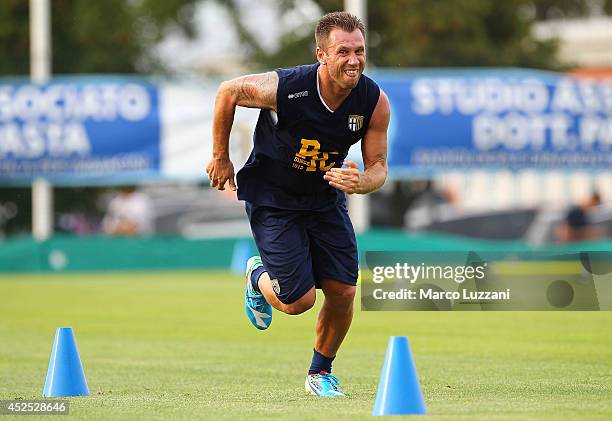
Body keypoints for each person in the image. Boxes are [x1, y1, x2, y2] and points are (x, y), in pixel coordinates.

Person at [206, 11, 390, 396]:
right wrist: (221, 156)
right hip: (273, 199)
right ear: (321, 54)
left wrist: (360, 182)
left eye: (359, 51)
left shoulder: (373, 101)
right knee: (297, 301)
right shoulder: (288, 88)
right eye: (343, 52)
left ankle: (320, 374)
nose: (354, 60)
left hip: (324, 201)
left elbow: (378, 169)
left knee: (344, 291)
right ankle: (257, 275)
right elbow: (228, 91)